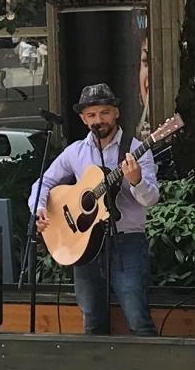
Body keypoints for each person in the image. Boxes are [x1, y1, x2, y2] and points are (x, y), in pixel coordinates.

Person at [28, 83, 159, 336]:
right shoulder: (75, 152)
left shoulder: (134, 150)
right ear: (83, 119)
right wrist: (40, 209)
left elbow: (151, 199)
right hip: (85, 248)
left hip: (126, 243)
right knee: (92, 322)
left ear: (116, 113)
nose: (99, 120)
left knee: (138, 319)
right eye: (91, 115)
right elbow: (43, 183)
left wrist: (136, 181)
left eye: (105, 112)